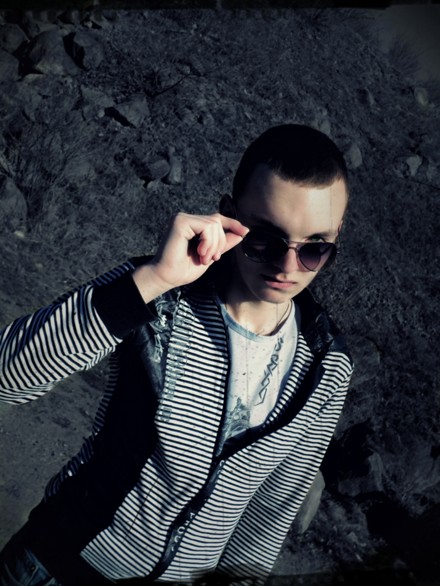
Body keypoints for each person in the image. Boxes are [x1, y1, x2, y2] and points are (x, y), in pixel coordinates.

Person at [0, 124, 353, 586]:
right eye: (266, 239)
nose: (288, 266)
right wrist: (153, 279)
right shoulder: (162, 297)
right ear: (229, 216)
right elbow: (7, 378)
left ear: (336, 236)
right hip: (52, 568)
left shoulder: (326, 365)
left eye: (315, 248)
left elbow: (269, 514)